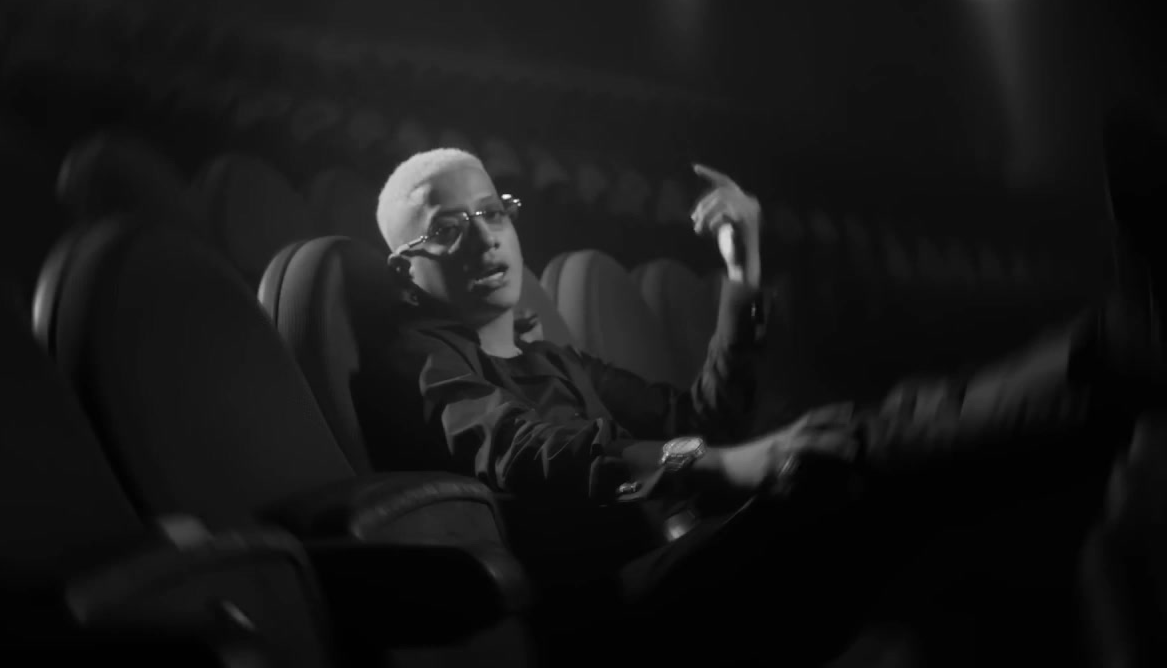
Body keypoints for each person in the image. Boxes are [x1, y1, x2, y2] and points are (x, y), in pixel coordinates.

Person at [364, 128, 1164, 666]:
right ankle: (1119, 348)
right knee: (844, 453)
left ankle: (1116, 361)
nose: (484, 236)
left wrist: (741, 270)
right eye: (448, 228)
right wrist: (722, 466)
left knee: (922, 475)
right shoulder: (420, 359)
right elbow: (532, 450)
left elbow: (698, 419)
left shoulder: (552, 355)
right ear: (406, 272)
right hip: (612, 607)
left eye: (490, 212)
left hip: (678, 555)